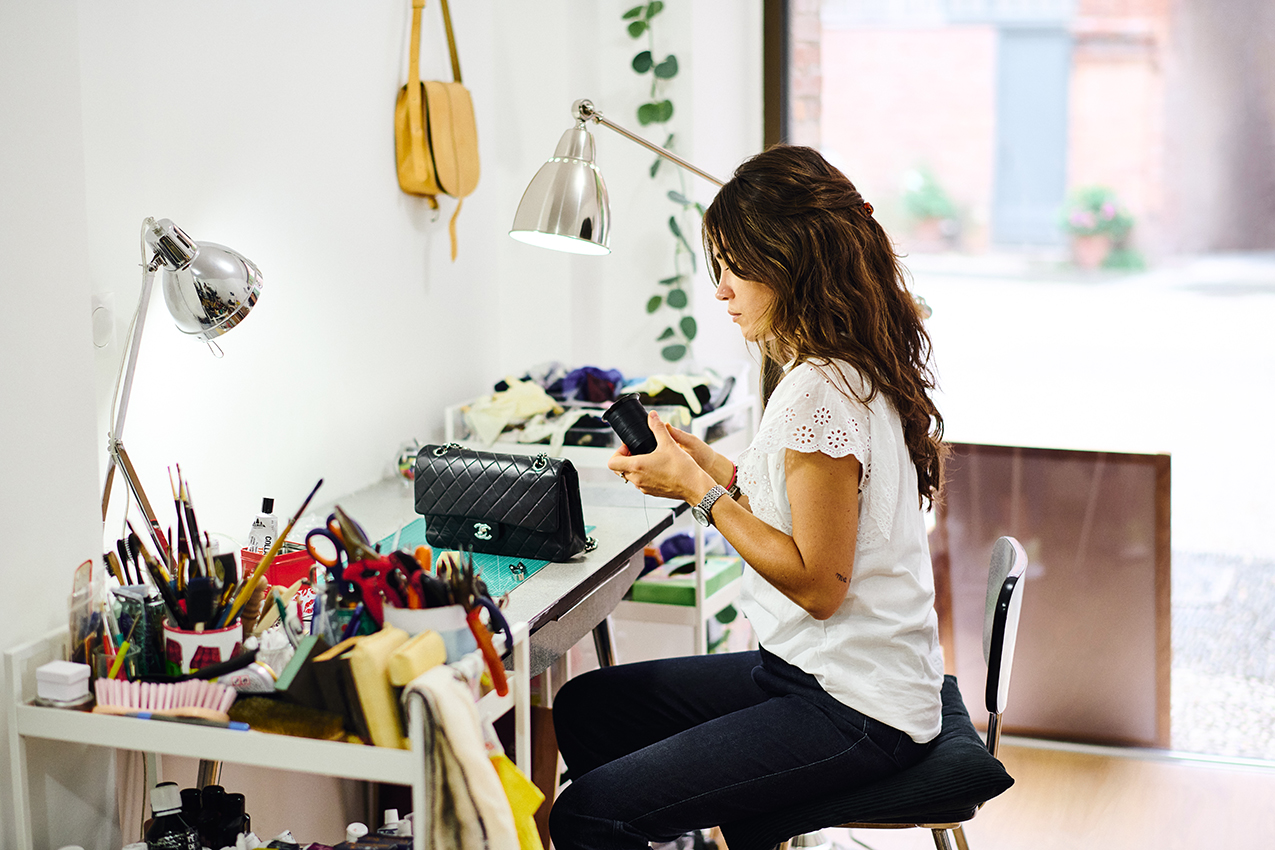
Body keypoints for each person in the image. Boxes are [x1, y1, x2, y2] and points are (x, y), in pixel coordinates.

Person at [548, 144, 948, 850]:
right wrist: (713, 469)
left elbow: (818, 585)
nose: (722, 291)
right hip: (825, 671)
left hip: (857, 705)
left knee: (587, 815)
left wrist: (697, 490)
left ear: (790, 264)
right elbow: (810, 516)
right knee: (588, 706)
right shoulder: (846, 364)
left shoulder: (819, 389)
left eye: (735, 267)